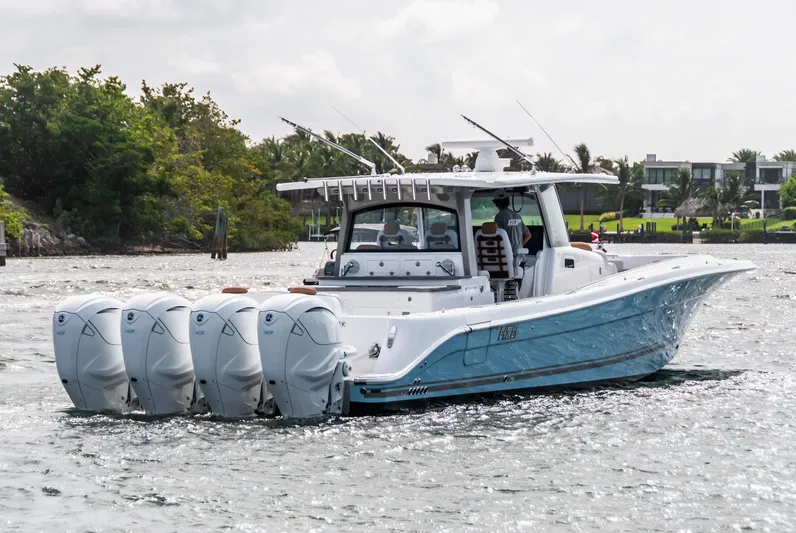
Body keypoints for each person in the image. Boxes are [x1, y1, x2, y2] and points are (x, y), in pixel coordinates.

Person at [493, 189, 531, 255]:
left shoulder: (499, 216)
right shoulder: (517, 216)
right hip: (520, 256)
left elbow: (497, 237)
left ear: (496, 204)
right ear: (508, 201)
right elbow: (528, 235)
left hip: (507, 256)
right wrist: (519, 247)